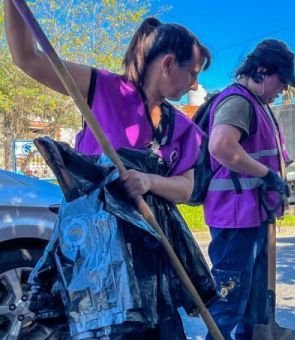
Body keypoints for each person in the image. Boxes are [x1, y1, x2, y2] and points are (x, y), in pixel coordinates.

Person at [5, 2, 215, 338]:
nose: (193, 85)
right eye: (192, 73)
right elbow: (27, 58)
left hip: (152, 257)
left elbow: (187, 188)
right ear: (168, 63)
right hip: (95, 257)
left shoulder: (180, 127)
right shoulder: (101, 88)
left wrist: (148, 180)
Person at [203, 39, 295, 339]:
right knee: (228, 301)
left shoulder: (256, 105)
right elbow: (221, 146)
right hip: (235, 219)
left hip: (251, 216)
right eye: (280, 81)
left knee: (249, 302)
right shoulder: (239, 102)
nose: (283, 89)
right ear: (261, 71)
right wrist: (267, 175)